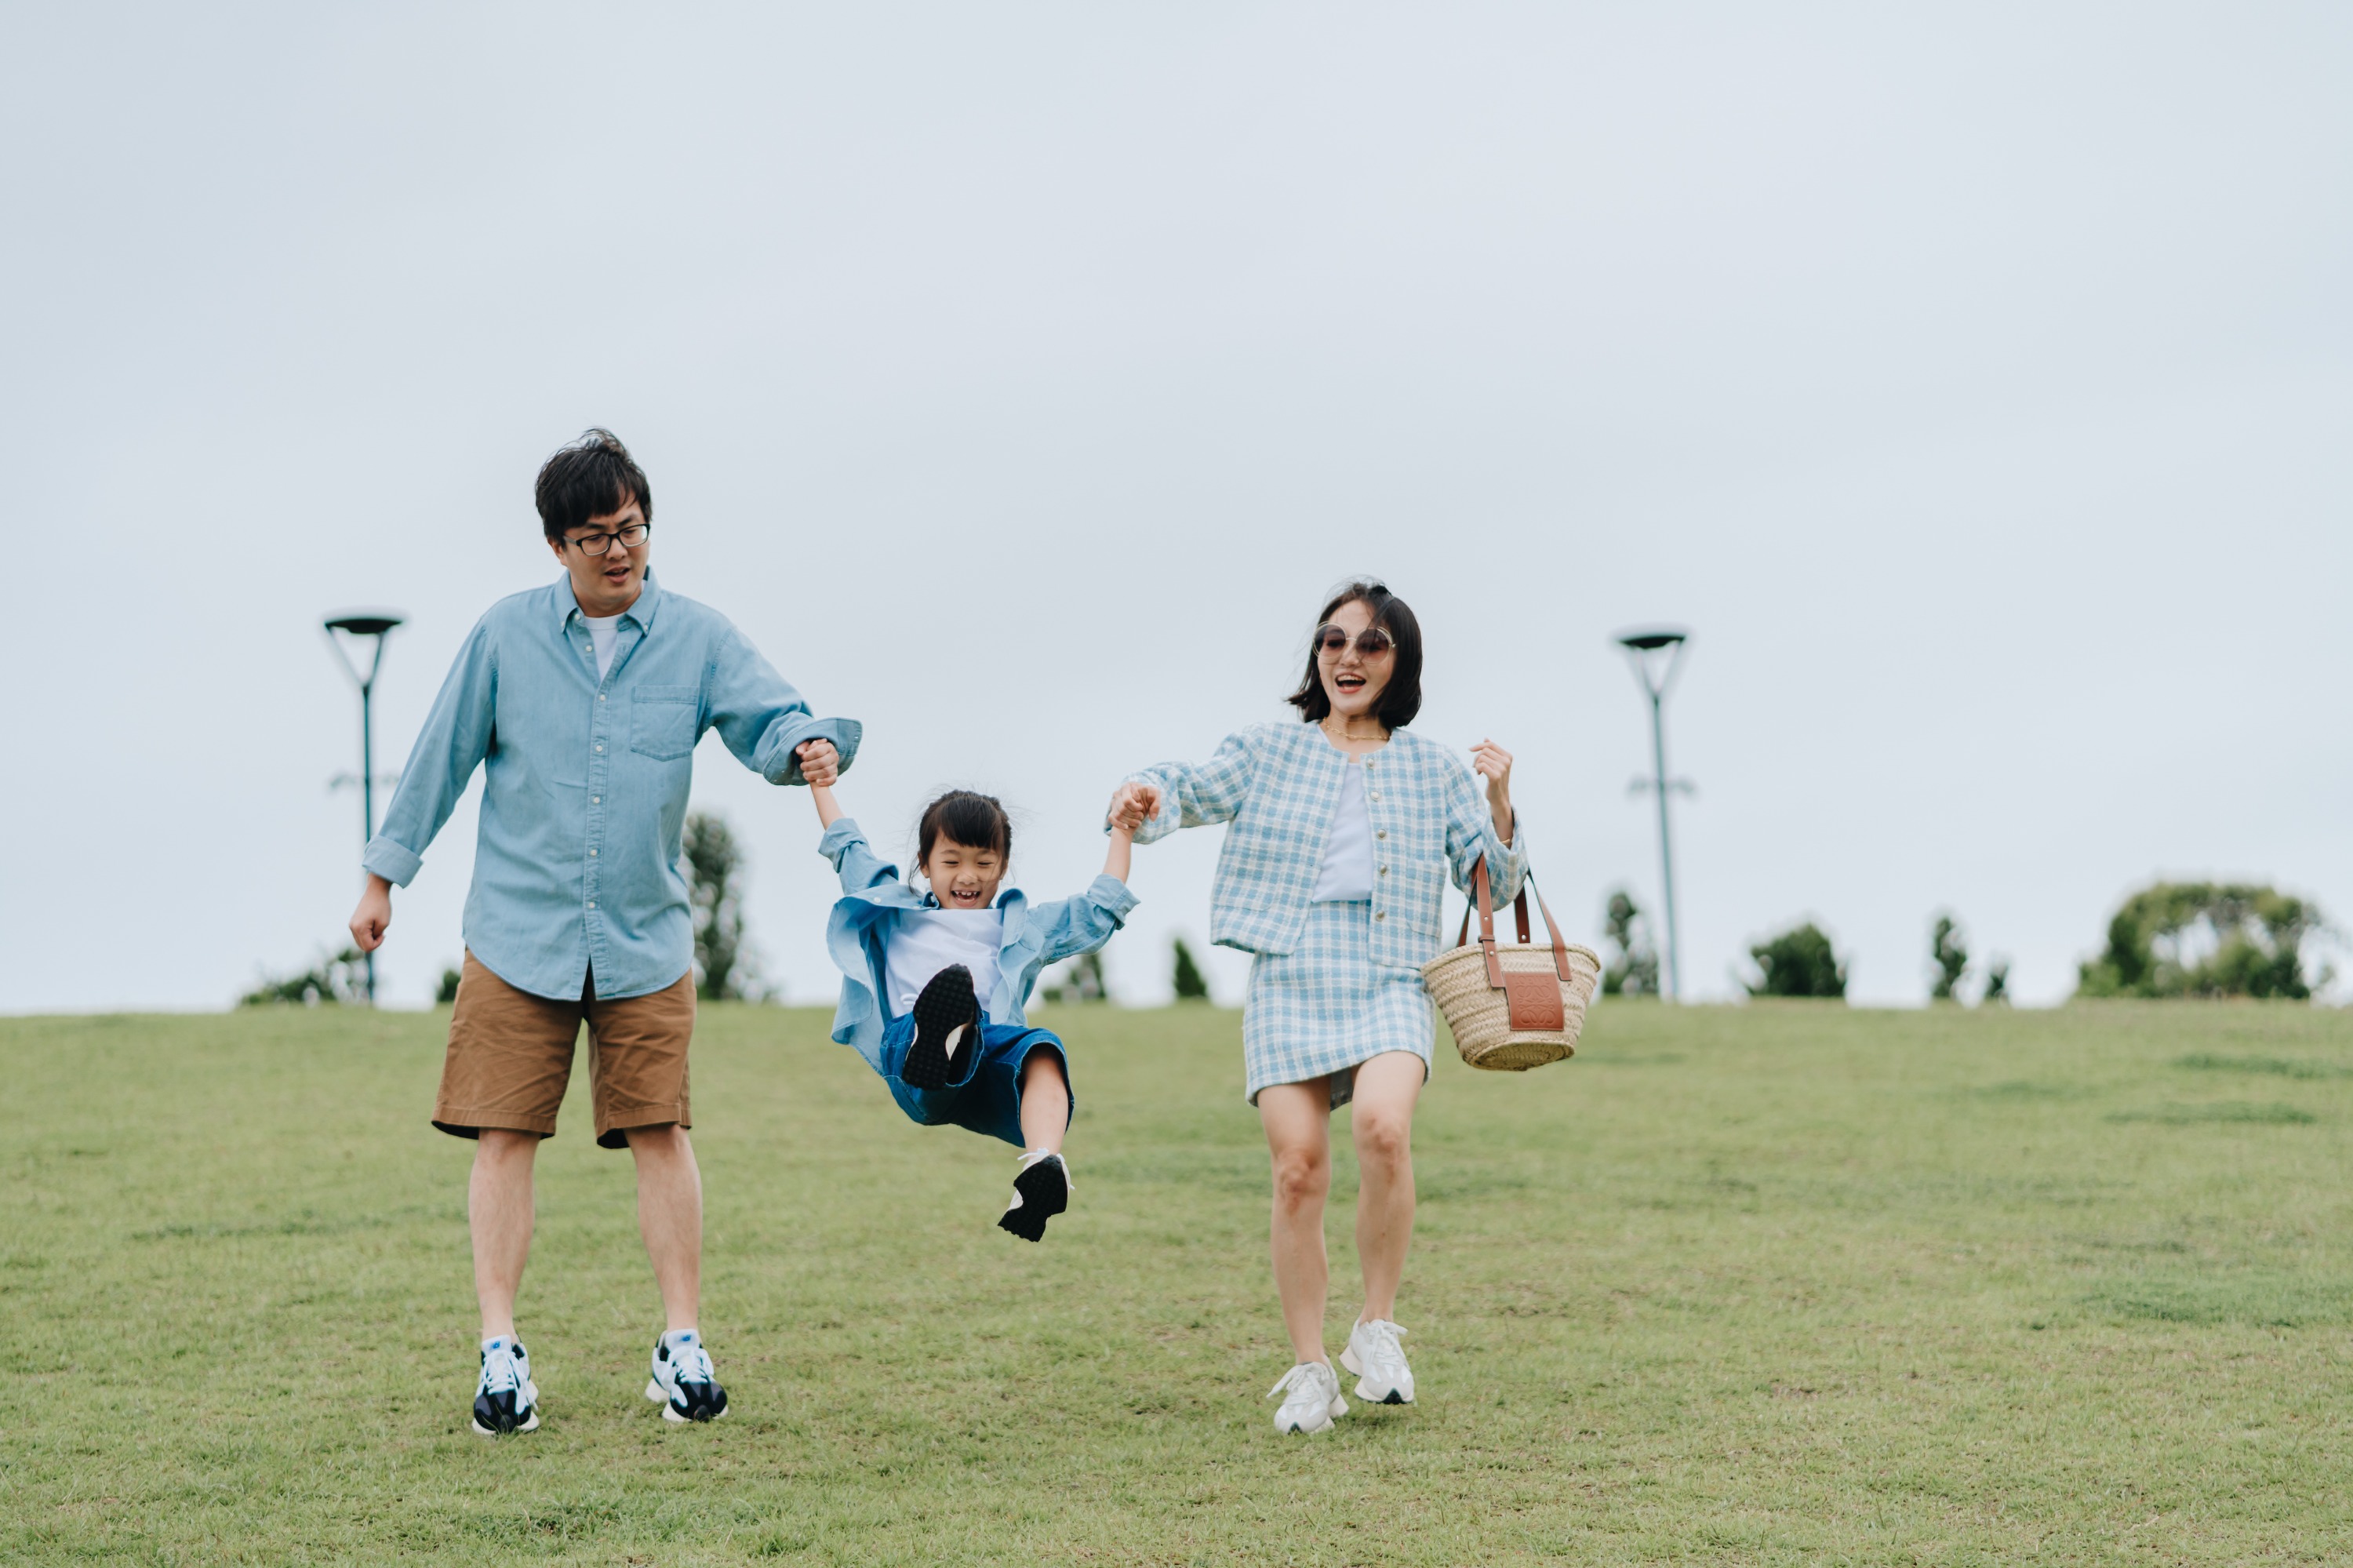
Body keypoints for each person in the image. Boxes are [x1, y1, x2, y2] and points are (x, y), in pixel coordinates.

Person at [347, 429, 858, 1435]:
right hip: (516, 934)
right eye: (595, 535)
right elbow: (437, 759)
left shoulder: (700, 637)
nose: (619, 550)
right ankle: (500, 1352)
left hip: (644, 939)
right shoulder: (503, 637)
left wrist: (808, 743)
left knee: (661, 1133)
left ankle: (682, 1345)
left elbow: (774, 719)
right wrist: (381, 880)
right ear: (557, 546)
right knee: (502, 1136)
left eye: (631, 528)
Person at [1108, 579, 1524, 1435]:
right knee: (1297, 1170)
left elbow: (1494, 883)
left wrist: (1499, 804)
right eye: (1335, 641)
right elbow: (1194, 785)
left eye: (1371, 644)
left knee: (1384, 1128)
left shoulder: (1432, 766)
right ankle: (1308, 1370)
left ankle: (1376, 1327)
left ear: (1399, 663)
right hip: (1290, 973)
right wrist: (1146, 793)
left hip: (1391, 971)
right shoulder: (1271, 749)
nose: (1348, 657)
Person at [807, 773, 1145, 1240]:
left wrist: (1123, 831)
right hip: (909, 1053)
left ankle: (1043, 1167)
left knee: (1042, 1049)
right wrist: (820, 783)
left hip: (985, 1056)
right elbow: (846, 846)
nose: (968, 876)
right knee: (950, 999)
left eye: (984, 863)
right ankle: (940, 1037)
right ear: (924, 864)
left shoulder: (1022, 927)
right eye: (951, 861)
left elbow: (1097, 910)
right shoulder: (895, 911)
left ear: (1003, 866)